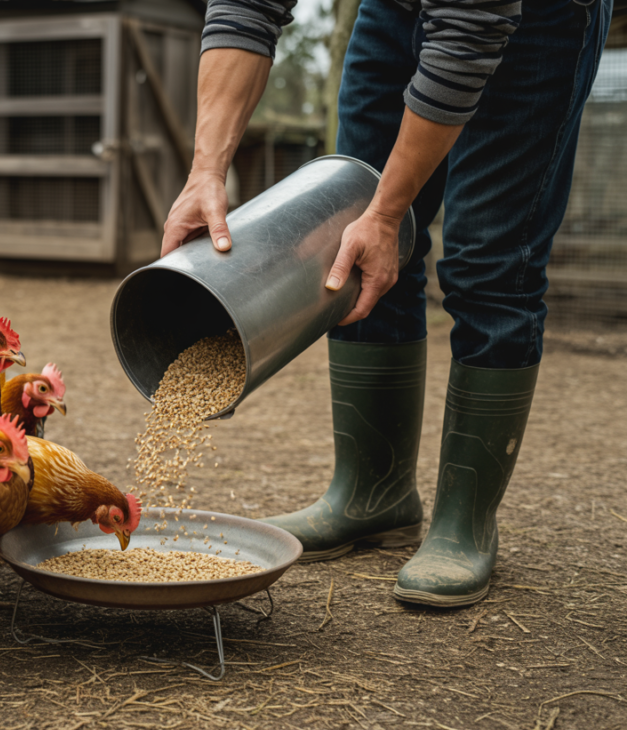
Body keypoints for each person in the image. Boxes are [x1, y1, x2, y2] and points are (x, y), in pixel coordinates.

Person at [162, 0, 612, 607]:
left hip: (537, 18)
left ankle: (465, 521)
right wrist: (205, 171)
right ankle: (373, 494)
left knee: (490, 257)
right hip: (398, 10)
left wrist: (388, 212)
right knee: (344, 232)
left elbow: (470, 27)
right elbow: (246, 8)